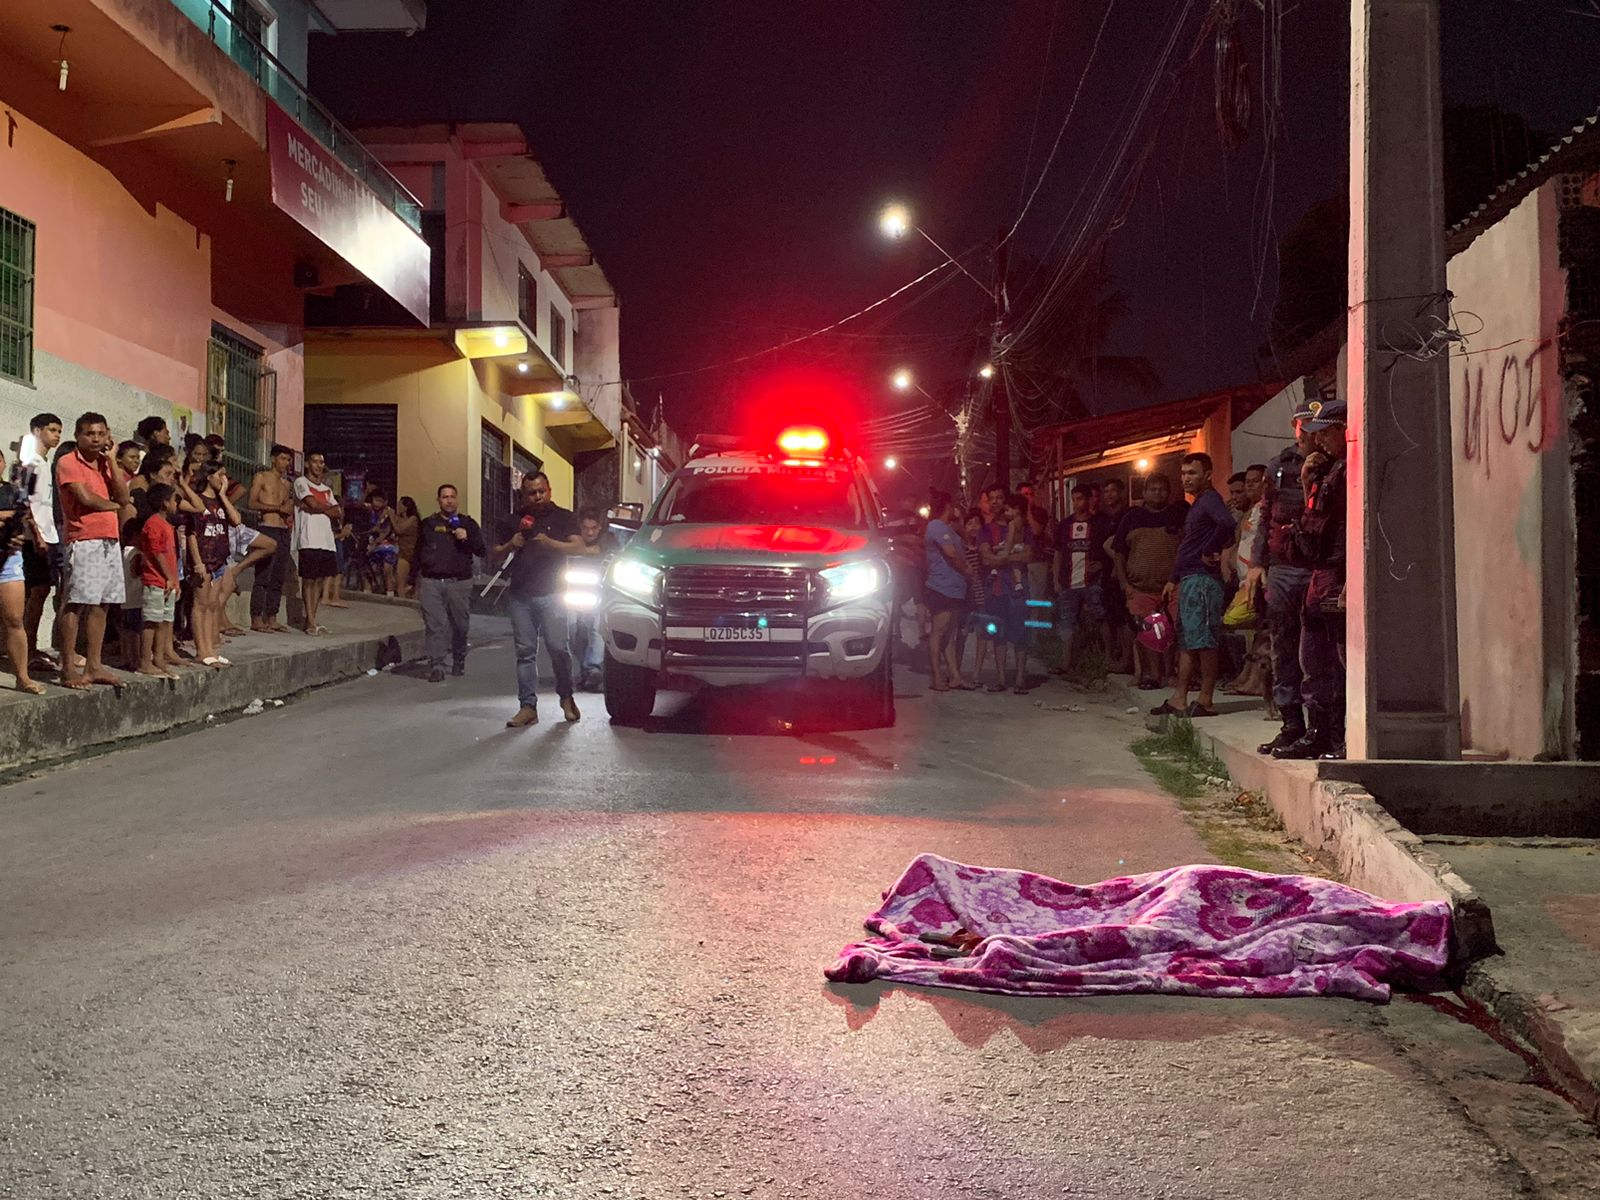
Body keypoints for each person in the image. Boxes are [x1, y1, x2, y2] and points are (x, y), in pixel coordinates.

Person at [1275, 399, 1348, 761]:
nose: (1320, 443)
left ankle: (1335, 737)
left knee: (1334, 661)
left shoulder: (1346, 472)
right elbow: (1310, 529)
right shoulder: (1325, 473)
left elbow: (1332, 528)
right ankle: (1319, 733)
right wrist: (1307, 484)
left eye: (1326, 434)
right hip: (1321, 575)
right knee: (1312, 658)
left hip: (1335, 573)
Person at [494, 472, 583, 726]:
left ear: (549, 490)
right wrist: (511, 544)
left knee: (558, 648)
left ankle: (566, 696)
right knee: (525, 653)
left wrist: (550, 543)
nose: (537, 496)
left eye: (541, 491)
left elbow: (578, 547)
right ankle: (527, 707)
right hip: (520, 595)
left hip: (553, 593)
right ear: (524, 495)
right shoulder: (514, 520)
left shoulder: (564, 517)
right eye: (531, 492)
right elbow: (494, 555)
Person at [1152, 452, 1237, 718]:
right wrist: (1173, 579)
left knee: (1204, 641)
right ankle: (1180, 698)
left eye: (1192, 473)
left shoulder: (1210, 499)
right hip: (1189, 578)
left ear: (1208, 475)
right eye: (1184, 473)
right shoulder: (1198, 504)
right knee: (1189, 640)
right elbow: (1188, 545)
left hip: (1202, 580)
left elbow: (1228, 524)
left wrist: (1210, 548)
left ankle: (1205, 699)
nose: (1186, 478)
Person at [1255, 411, 1317, 755]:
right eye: (1301, 425)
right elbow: (1266, 514)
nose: (1305, 431)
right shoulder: (1279, 466)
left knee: (1316, 651)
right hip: (1282, 567)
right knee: (1283, 646)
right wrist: (1258, 564)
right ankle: (1291, 724)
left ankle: (1323, 727)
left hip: (1316, 567)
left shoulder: (1334, 465)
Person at [55, 412, 130, 689]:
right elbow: (86, 499)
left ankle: (94, 666)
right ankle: (67, 667)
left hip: (110, 538)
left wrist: (111, 459)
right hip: (84, 538)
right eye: (90, 434)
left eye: (100, 433)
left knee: (103, 603)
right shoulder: (68, 462)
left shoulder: (105, 463)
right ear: (78, 436)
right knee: (76, 601)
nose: (96, 439)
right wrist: (115, 505)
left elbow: (122, 495)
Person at [1112, 472, 1186, 690]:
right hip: (1141, 588)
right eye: (1152, 489)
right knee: (1149, 632)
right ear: (1144, 492)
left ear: (1169, 493)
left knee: (1173, 630)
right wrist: (1125, 584)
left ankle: (1171, 673)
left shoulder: (1178, 515)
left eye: (1161, 489)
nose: (1157, 493)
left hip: (1172, 585)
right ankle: (1153, 675)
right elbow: (1118, 552)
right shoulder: (1132, 517)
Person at [416, 484, 485, 682]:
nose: (449, 500)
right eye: (445, 497)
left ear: (457, 499)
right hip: (432, 582)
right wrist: (414, 579)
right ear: (438, 500)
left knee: (460, 625)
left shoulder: (468, 523)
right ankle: (437, 664)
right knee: (435, 625)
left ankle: (459, 658)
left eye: (452, 496)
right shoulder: (428, 524)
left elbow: (481, 550)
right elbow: (417, 551)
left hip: (459, 583)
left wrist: (467, 537)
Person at [184, 460, 240, 667]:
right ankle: (201, 650)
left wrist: (224, 495)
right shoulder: (198, 501)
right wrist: (197, 562)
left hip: (219, 561)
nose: (223, 479)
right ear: (209, 476)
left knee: (212, 605)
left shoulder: (220, 502)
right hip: (203, 559)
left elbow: (236, 520)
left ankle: (210, 648)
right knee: (200, 604)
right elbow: (191, 533)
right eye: (220, 475)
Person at [978, 492, 1034, 694]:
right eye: (991, 498)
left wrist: (1001, 558)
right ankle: (1001, 678)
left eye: (999, 498)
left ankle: (1020, 678)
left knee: (1021, 632)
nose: (995, 502)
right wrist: (1010, 558)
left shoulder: (1022, 527)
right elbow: (986, 559)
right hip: (996, 588)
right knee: (997, 633)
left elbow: (1028, 555)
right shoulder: (985, 529)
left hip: (1018, 587)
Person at [19, 412, 61, 675]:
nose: (57, 435)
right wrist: (37, 535)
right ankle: (27, 649)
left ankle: (29, 648)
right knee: (34, 594)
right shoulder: (31, 462)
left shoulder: (45, 463)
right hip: (35, 539)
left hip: (49, 536)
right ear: (37, 430)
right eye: (52, 430)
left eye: (59, 430)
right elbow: (25, 502)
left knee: (41, 593)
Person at [0, 445, 45, 694]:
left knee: (15, 619)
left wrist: (21, 534)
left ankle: (22, 676)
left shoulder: (11, 491)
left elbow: (24, 516)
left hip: (8, 560)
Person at [1052, 486, 1108, 678]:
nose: (1077, 503)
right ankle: (1066, 663)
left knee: (1100, 619)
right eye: (1073, 499)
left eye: (1080, 499)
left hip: (1092, 581)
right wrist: (1056, 579)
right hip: (1069, 582)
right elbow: (1058, 552)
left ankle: (1105, 658)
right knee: (1067, 623)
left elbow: (1108, 548)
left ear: (1088, 500)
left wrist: (1101, 564)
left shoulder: (1099, 523)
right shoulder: (1065, 525)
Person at [923, 490, 972, 692]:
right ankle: (937, 677)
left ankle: (955, 677)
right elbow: (951, 554)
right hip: (941, 587)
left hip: (954, 588)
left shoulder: (949, 528)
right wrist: (966, 570)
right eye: (952, 506)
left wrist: (960, 523)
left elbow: (966, 540)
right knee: (939, 632)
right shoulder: (936, 526)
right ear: (947, 506)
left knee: (949, 634)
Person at [131, 485, 181, 679]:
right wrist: (168, 576)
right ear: (164, 503)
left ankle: (159, 658)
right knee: (152, 621)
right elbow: (156, 552)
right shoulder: (153, 524)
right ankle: (145, 661)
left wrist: (175, 581)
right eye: (174, 500)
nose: (176, 504)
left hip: (168, 583)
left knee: (164, 622)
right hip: (155, 580)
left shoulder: (167, 525)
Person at [246, 446, 295, 631]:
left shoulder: (286, 484)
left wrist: (287, 512)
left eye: (288, 460)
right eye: (283, 459)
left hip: (283, 530)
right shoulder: (262, 477)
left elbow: (287, 508)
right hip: (268, 528)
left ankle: (272, 617)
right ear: (273, 459)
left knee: (278, 577)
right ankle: (256, 618)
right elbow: (252, 503)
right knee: (263, 575)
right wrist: (276, 509)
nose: (286, 463)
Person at [570, 508, 619, 691]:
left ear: (600, 527)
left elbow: (610, 554)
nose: (589, 532)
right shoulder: (571, 540)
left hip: (599, 593)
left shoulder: (609, 541)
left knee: (595, 628)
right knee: (570, 628)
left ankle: (593, 669)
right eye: (585, 527)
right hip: (572, 590)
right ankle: (586, 668)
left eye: (594, 528)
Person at [293, 452, 341, 635]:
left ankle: (311, 619)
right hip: (309, 538)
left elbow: (338, 512)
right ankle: (311, 621)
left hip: (326, 541)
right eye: (315, 461)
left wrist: (321, 509)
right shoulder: (301, 483)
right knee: (309, 580)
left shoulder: (327, 489)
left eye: (322, 462)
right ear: (307, 464)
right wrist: (324, 508)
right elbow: (311, 504)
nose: (319, 465)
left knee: (321, 580)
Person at [1097, 477, 1133, 673]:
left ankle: (1127, 660)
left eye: (1113, 491)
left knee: (1124, 619)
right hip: (1107, 576)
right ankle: (1114, 656)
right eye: (1106, 491)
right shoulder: (1104, 519)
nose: (1109, 495)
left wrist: (1119, 566)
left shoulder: (1127, 516)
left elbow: (1118, 547)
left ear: (1121, 492)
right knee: (1111, 618)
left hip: (1122, 575)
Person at [392, 496, 420, 600]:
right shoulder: (399, 518)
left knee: (405, 581)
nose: (398, 507)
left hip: (410, 552)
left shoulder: (413, 519)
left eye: (400, 505)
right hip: (400, 551)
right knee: (399, 581)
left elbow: (399, 530)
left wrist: (392, 517)